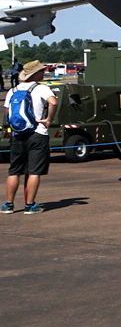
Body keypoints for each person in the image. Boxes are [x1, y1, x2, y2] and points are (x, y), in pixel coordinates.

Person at [5, 60, 56, 215]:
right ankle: (30, 205)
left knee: (14, 171)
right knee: (34, 171)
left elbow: (8, 112)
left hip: (18, 134)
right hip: (37, 133)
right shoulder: (41, 88)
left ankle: (8, 204)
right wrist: (48, 119)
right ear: (36, 74)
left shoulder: (13, 90)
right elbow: (53, 102)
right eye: (41, 71)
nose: (43, 73)